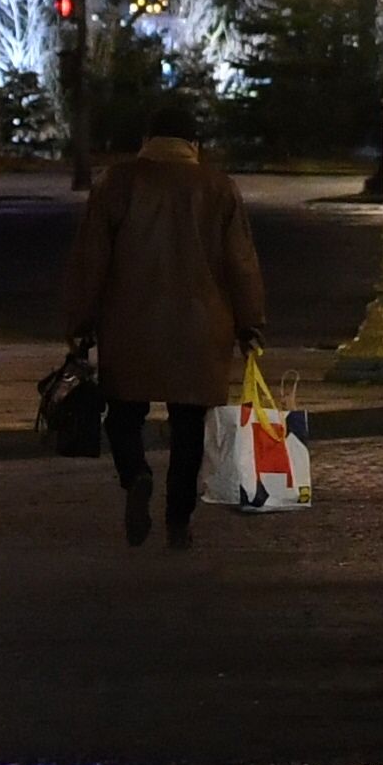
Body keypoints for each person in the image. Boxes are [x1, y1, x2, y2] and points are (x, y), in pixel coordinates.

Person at [61, 96, 267, 548]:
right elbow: (241, 264)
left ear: (147, 141)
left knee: (123, 414)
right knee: (189, 427)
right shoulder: (217, 187)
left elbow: (91, 258)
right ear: (194, 142)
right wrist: (251, 324)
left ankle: (135, 474)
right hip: (201, 326)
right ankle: (178, 520)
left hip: (129, 322)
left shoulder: (118, 183)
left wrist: (80, 320)